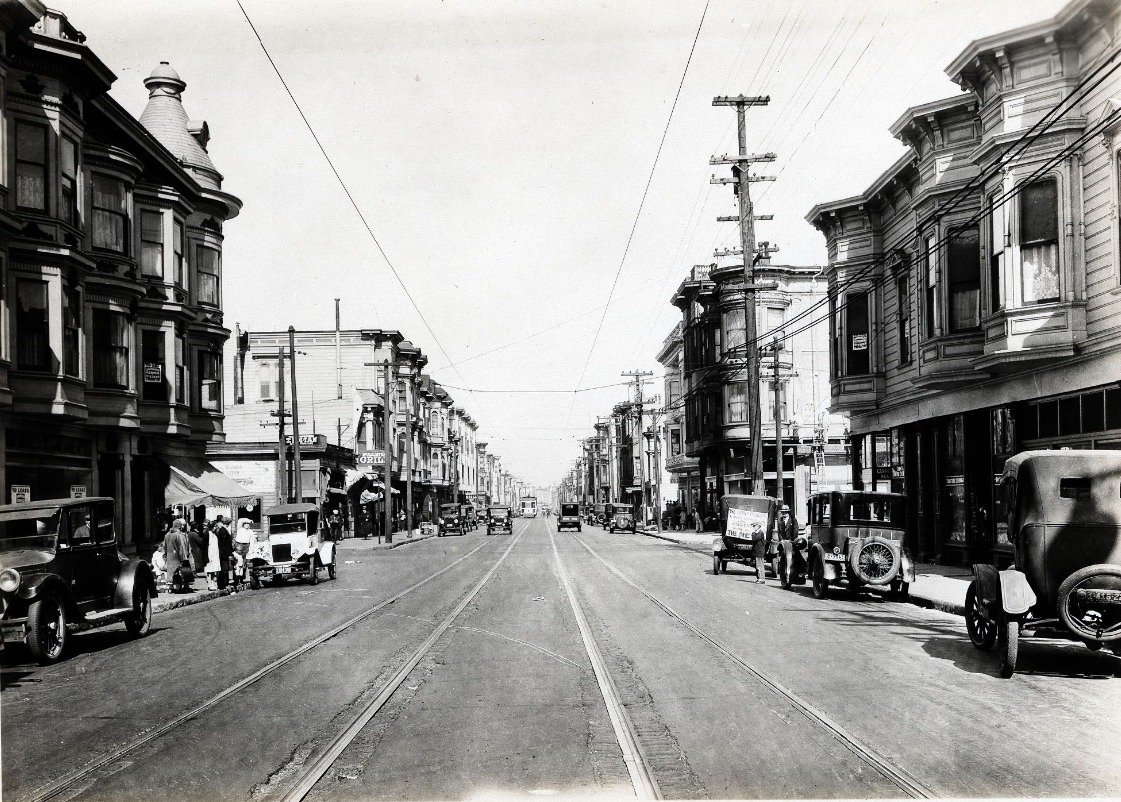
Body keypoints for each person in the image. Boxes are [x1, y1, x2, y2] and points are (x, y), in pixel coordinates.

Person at [163, 518, 192, 592]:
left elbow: (164, 547)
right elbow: (181, 547)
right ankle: (178, 588)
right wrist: (184, 559)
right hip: (177, 558)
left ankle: (170, 588)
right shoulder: (178, 535)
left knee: (170, 573)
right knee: (177, 573)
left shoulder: (167, 535)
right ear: (178, 526)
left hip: (169, 557)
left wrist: (165, 556)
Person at [214, 515, 233, 590]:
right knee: (224, 569)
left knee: (224, 569)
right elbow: (226, 545)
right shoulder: (224, 532)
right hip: (224, 553)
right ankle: (222, 584)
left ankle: (223, 584)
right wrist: (229, 554)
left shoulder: (222, 531)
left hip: (222, 553)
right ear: (227, 524)